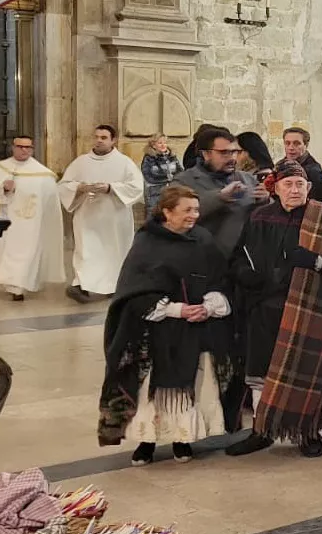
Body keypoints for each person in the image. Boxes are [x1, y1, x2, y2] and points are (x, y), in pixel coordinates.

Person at [224, 161, 322, 458]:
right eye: (288, 184)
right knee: (262, 373)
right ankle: (262, 431)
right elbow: (238, 257)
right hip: (265, 307)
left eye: (300, 184)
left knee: (309, 373)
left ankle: (307, 432)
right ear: (275, 188)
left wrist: (318, 261)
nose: (295, 190)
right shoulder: (259, 217)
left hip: (312, 308)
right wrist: (247, 277)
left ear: (309, 188)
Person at [98, 184, 238, 465]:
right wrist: (176, 310)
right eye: (187, 210)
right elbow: (134, 292)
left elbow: (221, 278)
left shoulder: (203, 239)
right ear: (167, 211)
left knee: (190, 388)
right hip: (157, 331)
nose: (194, 216)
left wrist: (209, 305)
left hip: (196, 329)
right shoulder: (147, 243)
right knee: (153, 392)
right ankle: (146, 443)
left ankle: (182, 439)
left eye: (196, 209)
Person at [58, 125, 145, 301]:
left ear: (113, 140)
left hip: (114, 218)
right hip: (87, 216)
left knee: (114, 251)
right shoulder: (81, 162)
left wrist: (110, 188)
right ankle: (81, 286)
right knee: (86, 251)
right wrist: (80, 187)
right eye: (96, 136)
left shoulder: (124, 162)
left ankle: (114, 286)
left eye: (104, 137)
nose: (99, 140)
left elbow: (137, 187)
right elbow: (63, 185)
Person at [172, 127, 268, 255]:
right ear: (206, 154)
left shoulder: (248, 179)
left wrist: (265, 200)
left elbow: (269, 215)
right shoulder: (184, 182)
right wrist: (219, 197)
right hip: (203, 258)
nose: (232, 158)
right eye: (224, 153)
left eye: (234, 152)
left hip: (244, 261)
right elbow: (174, 217)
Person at [0, 136, 65, 300]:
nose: (24, 150)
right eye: (20, 147)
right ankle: (13, 285)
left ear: (32, 149)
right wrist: (3, 188)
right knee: (6, 252)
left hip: (30, 223)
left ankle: (18, 288)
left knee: (26, 253)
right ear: (13, 147)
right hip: (4, 220)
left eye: (28, 147)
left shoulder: (43, 174)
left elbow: (50, 203)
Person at [279, 127, 322, 198]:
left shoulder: (313, 171)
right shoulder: (280, 165)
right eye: (287, 143)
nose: (291, 147)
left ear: (306, 145)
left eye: (296, 143)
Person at [140, 134, 183, 210]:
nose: (163, 145)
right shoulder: (149, 158)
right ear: (154, 145)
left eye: (165, 142)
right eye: (160, 143)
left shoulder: (172, 157)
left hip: (172, 192)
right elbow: (149, 176)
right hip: (155, 194)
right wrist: (168, 178)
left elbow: (180, 171)